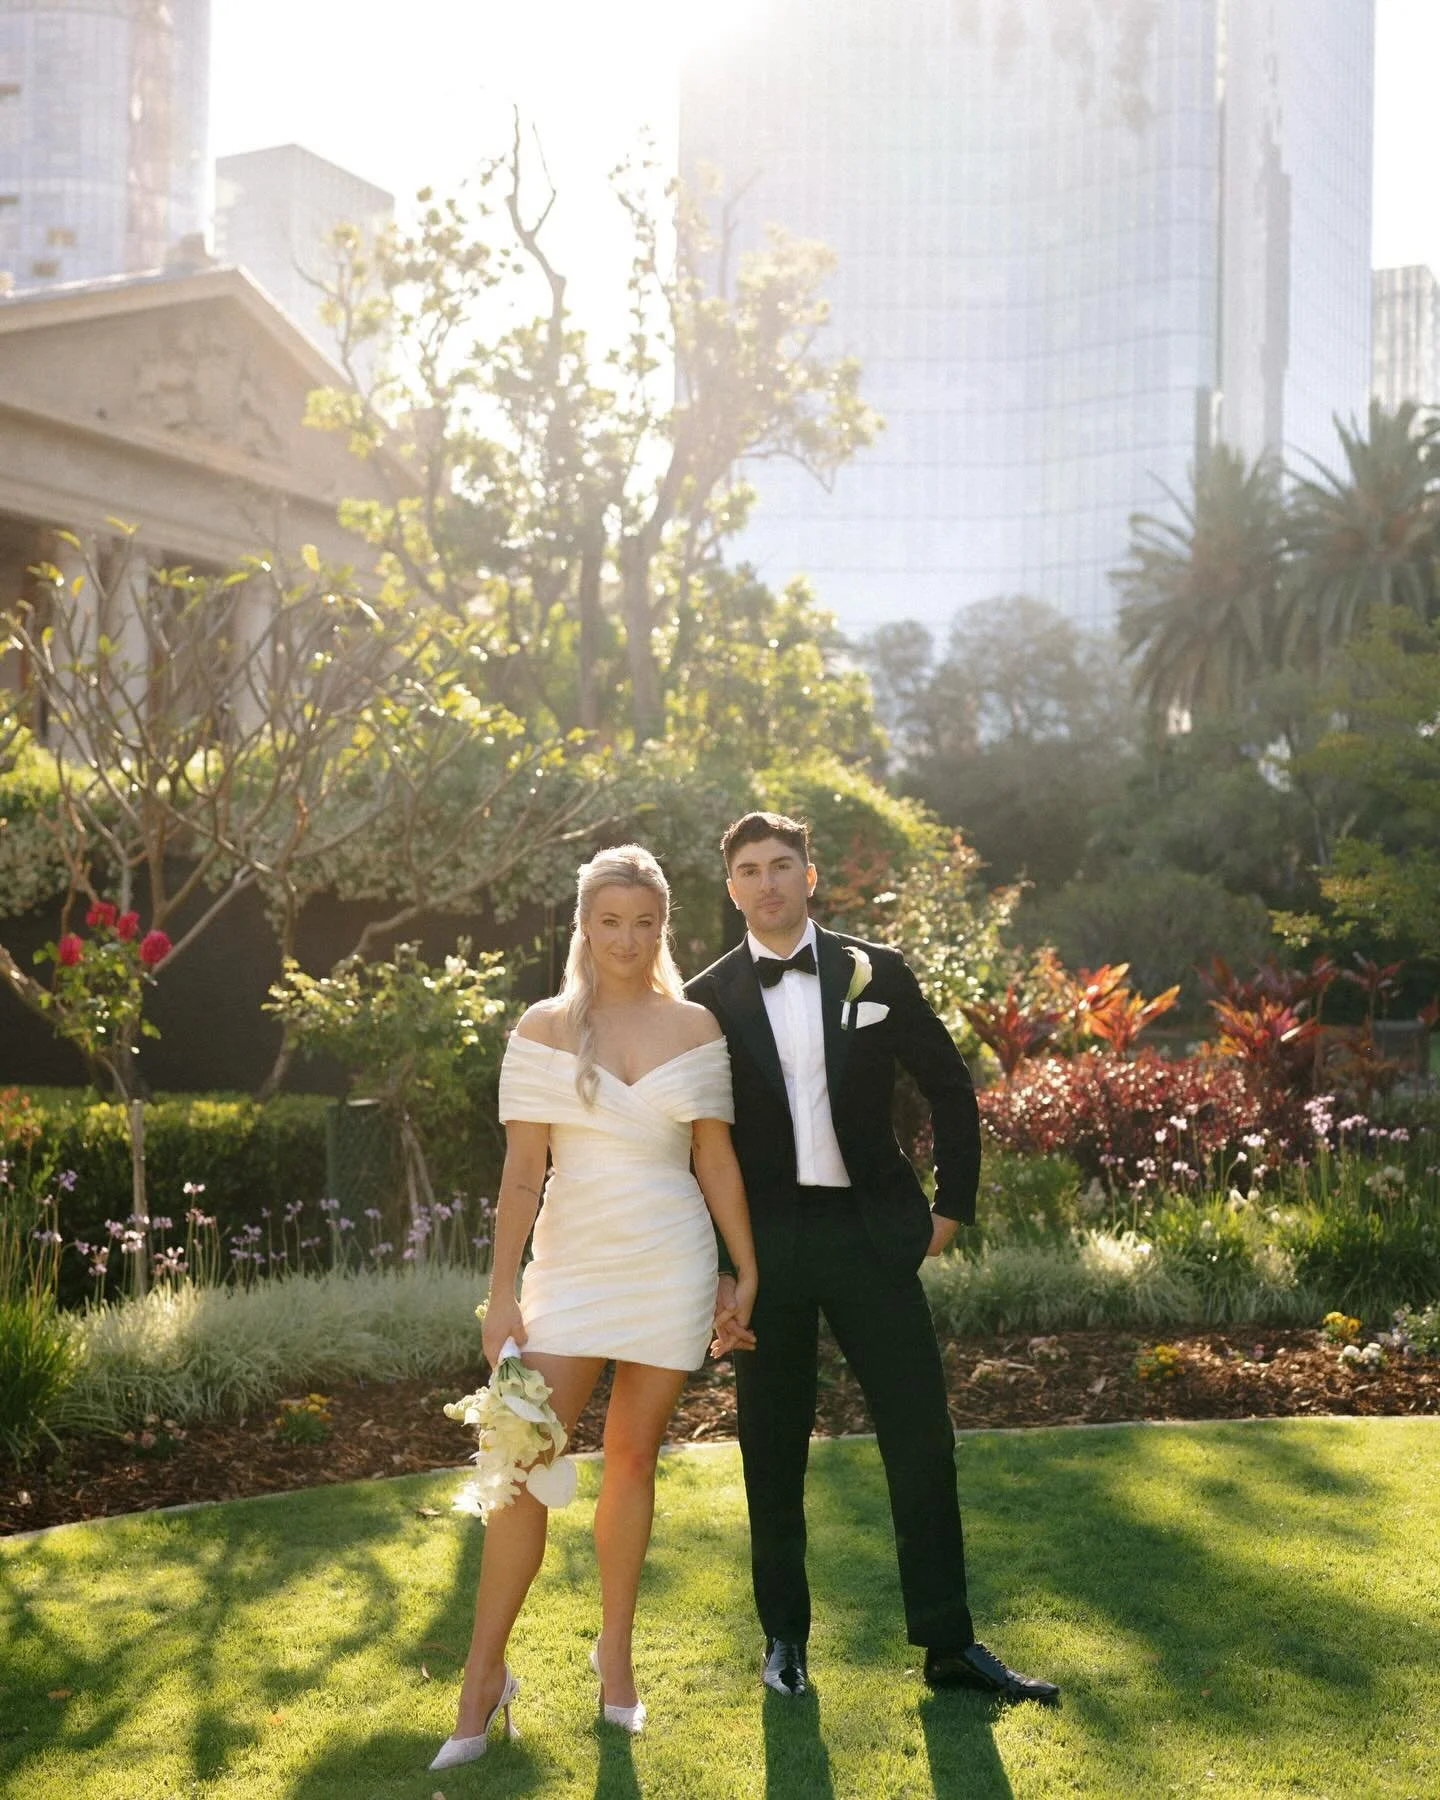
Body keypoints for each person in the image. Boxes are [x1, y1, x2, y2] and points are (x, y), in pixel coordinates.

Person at [685, 812, 1059, 1706]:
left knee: (921, 1441)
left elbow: (949, 1086)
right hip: (763, 1247)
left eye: (782, 865)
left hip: (870, 1235)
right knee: (772, 1451)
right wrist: (721, 1269)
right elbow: (691, 1147)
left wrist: (949, 1209)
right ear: (730, 887)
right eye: (749, 869)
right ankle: (783, 1642)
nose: (768, 882)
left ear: (809, 877)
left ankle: (948, 1644)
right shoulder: (702, 1000)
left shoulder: (873, 969)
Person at [430, 844, 758, 1771]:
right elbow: (521, 1173)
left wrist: (745, 1268)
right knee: (522, 1459)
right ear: (584, 925)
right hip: (569, 1271)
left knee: (631, 1460)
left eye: (644, 922)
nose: (627, 938)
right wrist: (501, 1295)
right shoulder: (540, 1026)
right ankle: (483, 1677)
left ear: (664, 928)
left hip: (670, 1264)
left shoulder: (694, 1026)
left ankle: (614, 1651)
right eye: (609, 921)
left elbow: (716, 1161)